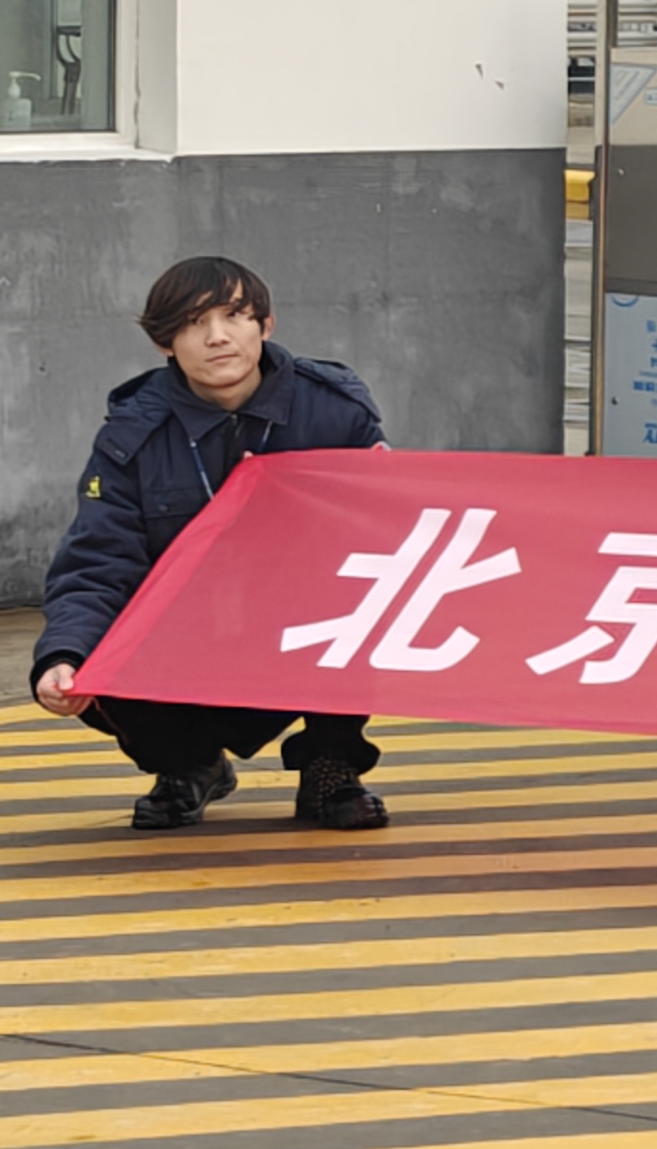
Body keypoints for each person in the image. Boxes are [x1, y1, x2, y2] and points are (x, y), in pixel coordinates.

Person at [28, 258, 393, 832]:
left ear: (265, 324)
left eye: (234, 316)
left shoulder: (333, 411)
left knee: (367, 599)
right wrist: (63, 655)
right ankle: (189, 766)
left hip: (302, 618)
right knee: (96, 658)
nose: (217, 336)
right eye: (194, 323)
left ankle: (331, 764)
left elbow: (384, 533)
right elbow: (99, 558)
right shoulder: (133, 433)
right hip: (192, 625)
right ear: (164, 343)